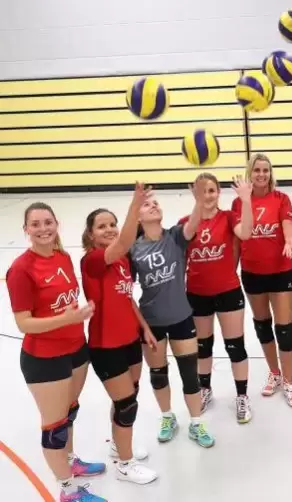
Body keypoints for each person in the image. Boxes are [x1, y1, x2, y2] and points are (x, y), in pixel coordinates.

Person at [7, 202, 107, 502]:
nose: (43, 229)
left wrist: (77, 318)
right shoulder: (22, 269)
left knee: (69, 413)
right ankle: (68, 492)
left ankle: (70, 461)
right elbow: (24, 323)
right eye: (35, 224)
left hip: (76, 350)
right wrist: (66, 319)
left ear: (56, 224)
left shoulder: (62, 257)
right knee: (54, 428)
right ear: (26, 229)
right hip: (44, 359)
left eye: (47, 222)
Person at [80, 184, 159, 485]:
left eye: (112, 224)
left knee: (130, 395)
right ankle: (125, 466)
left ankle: (118, 445)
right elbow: (126, 240)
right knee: (127, 404)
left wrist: (145, 328)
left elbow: (127, 298)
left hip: (130, 340)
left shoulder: (122, 261)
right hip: (105, 346)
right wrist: (135, 205)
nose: (110, 229)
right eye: (102, 226)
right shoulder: (94, 260)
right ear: (90, 235)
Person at [129, 180, 216, 447]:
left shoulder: (176, 237)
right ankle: (167, 417)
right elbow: (125, 292)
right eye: (146, 204)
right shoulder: (133, 250)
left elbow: (193, 223)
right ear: (138, 216)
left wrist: (200, 199)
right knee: (158, 374)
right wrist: (142, 325)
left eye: (156, 202)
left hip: (181, 317)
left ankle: (197, 424)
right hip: (151, 322)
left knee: (190, 375)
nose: (153, 205)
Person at [179, 173, 254, 424]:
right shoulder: (186, 223)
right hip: (197, 294)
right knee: (203, 348)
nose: (208, 196)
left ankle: (242, 396)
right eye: (202, 191)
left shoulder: (228, 217)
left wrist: (245, 200)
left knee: (236, 347)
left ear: (218, 192)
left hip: (228, 291)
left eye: (211, 190)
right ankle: (205, 389)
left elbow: (245, 233)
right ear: (194, 193)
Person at [231, 154, 292, 407]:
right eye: (257, 170)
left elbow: (287, 225)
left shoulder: (281, 199)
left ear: (271, 174)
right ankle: (275, 373)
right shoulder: (239, 203)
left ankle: (289, 381)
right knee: (263, 325)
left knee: (284, 329)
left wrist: (291, 239)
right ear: (250, 172)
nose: (262, 174)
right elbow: (238, 239)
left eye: (266, 170)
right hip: (252, 273)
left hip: (281, 271)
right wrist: (232, 269)